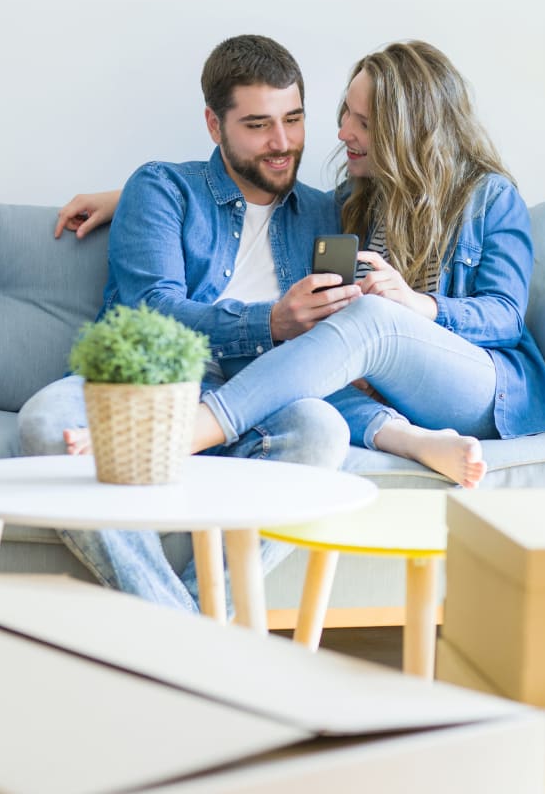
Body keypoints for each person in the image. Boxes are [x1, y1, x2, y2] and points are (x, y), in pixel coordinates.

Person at [59, 40, 545, 497]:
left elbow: (506, 316)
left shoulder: (488, 197)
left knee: (371, 317)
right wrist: (132, 197)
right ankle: (404, 437)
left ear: (407, 132)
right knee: (296, 343)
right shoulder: (353, 201)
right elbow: (251, 194)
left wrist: (415, 305)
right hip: (393, 393)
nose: (343, 131)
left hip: (482, 387)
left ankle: (196, 426)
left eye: (365, 123)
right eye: (344, 112)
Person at [20, 34, 356, 611]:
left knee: (323, 431)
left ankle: (177, 632)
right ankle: (188, 634)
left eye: (294, 119)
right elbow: (155, 312)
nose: (282, 144)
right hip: (140, 391)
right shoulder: (160, 188)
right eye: (257, 125)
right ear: (213, 124)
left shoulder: (327, 212)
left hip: (253, 401)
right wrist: (271, 321)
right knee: (48, 422)